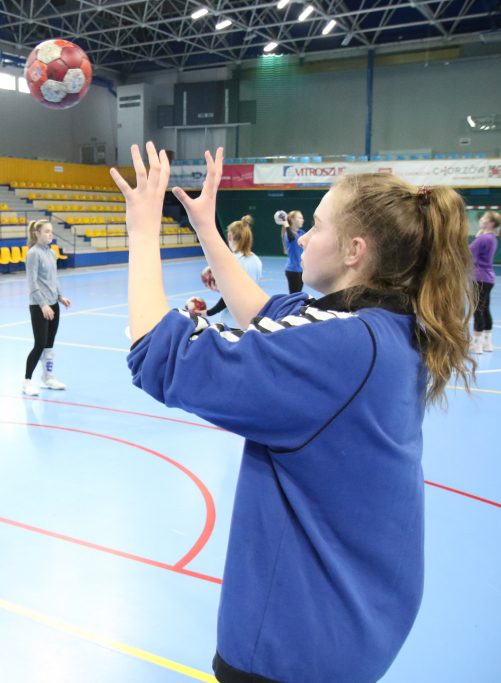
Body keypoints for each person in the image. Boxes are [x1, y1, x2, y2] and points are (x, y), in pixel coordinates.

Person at [111, 143, 474, 683]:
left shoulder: (341, 348)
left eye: (318, 226)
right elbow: (268, 313)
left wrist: (142, 233)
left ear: (355, 250)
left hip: (293, 643)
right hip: (353, 623)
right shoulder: (385, 327)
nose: (303, 238)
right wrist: (208, 230)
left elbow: (163, 358)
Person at [23, 219, 71, 396]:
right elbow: (32, 282)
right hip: (39, 306)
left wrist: (60, 297)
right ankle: (27, 381)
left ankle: (48, 377)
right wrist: (43, 304)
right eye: (47, 231)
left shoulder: (51, 253)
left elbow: (54, 278)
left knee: (49, 344)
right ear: (37, 233)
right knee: (40, 343)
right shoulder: (33, 254)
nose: (50, 234)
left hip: (53, 304)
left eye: (51, 231)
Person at [200, 216, 263, 325]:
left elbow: (231, 297)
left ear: (230, 236)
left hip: (233, 321)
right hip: (252, 319)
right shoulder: (256, 260)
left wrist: (208, 313)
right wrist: (222, 288)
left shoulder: (231, 261)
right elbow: (245, 290)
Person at [469, 210, 501, 353]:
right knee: (484, 309)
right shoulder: (491, 238)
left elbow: (468, 253)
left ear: (490, 223)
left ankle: (477, 344)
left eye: (484, 217)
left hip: (479, 278)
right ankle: (487, 343)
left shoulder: (483, 239)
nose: (482, 219)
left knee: (477, 309)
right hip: (489, 278)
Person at [279, 209, 306, 293]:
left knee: (298, 294)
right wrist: (285, 222)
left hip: (301, 269)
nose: (302, 220)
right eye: (300, 218)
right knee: (294, 295)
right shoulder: (288, 234)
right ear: (293, 220)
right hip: (292, 270)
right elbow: (291, 237)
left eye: (302, 218)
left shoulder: (301, 232)